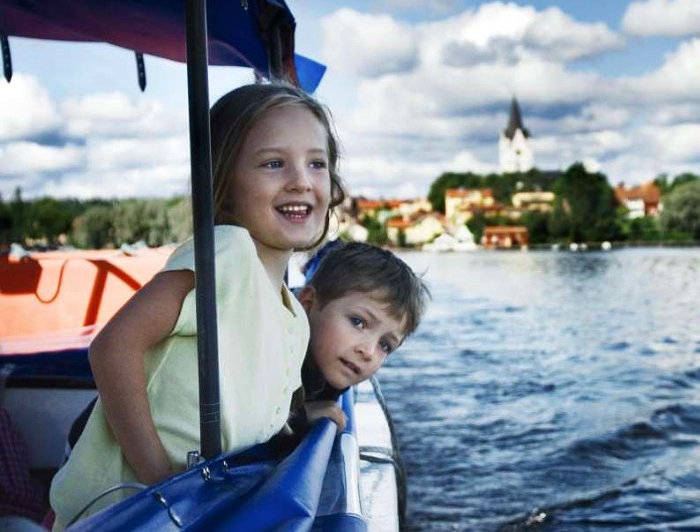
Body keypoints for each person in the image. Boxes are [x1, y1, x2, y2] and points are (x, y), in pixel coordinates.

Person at [48, 81, 345, 530]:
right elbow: (113, 347)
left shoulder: (292, 317)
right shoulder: (225, 251)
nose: (301, 180)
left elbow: (251, 419)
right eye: (273, 163)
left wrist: (302, 421)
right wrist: (159, 480)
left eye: (316, 163)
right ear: (223, 183)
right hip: (123, 513)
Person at [285, 241, 430, 440]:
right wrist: (296, 418)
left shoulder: (327, 361)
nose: (369, 351)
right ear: (308, 302)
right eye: (358, 322)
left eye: (385, 345)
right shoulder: (271, 352)